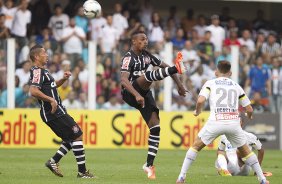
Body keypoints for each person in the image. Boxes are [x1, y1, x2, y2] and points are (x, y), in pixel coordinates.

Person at [176, 61, 269, 184]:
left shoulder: (210, 83)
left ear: (216, 72)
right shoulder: (236, 85)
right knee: (246, 151)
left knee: (195, 147)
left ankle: (181, 177)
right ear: (230, 73)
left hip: (216, 121)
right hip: (233, 123)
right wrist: (249, 115)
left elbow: (200, 101)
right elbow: (249, 109)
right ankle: (262, 180)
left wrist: (198, 111)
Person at [120, 30, 187, 179]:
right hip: (130, 92)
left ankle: (149, 165)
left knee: (155, 128)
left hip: (144, 93)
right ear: (134, 41)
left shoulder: (147, 56)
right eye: (142, 39)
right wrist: (136, 95)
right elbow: (123, 80)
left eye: (146, 39)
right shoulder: (128, 58)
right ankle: (178, 67)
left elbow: (165, 66)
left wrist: (179, 85)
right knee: (147, 77)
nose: (145, 41)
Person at [28, 44, 94, 178]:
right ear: (36, 56)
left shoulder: (44, 71)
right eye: (44, 53)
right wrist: (51, 100)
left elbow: (51, 86)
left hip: (57, 110)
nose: (47, 55)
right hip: (52, 111)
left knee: (71, 138)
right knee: (77, 135)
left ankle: (53, 161)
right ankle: (82, 172)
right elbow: (33, 90)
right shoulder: (37, 71)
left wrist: (63, 79)